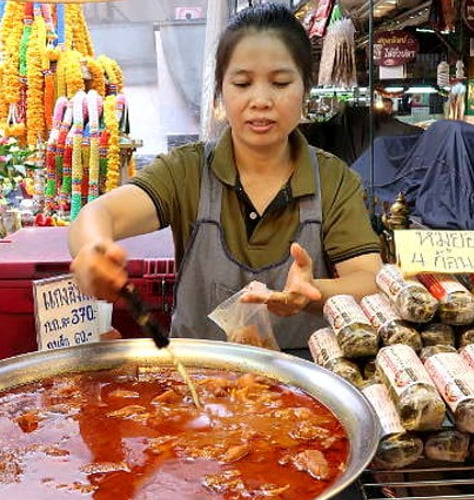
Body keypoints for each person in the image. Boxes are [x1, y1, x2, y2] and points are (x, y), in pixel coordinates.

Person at [69, 4, 382, 349]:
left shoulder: (333, 179)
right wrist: (92, 251)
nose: (260, 100)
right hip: (197, 383)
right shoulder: (186, 171)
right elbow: (99, 213)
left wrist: (312, 292)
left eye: (280, 83)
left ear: (305, 88)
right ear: (221, 90)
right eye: (242, 83)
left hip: (301, 385)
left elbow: (368, 278)